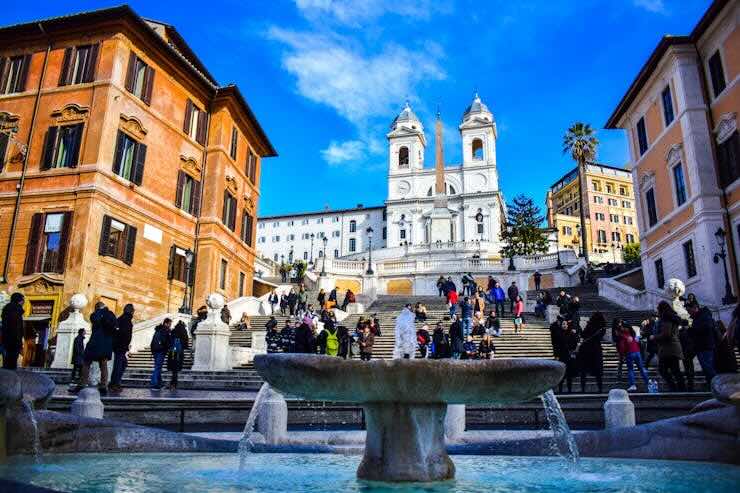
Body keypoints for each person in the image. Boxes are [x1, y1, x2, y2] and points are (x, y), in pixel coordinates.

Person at [71, 302, 117, 395]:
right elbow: (115, 327)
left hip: (95, 342)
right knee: (103, 365)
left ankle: (82, 384)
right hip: (107, 344)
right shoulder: (111, 315)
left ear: (97, 308)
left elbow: (94, 320)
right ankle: (104, 386)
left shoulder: (96, 314)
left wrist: (98, 313)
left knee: (86, 362)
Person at [653, 301, 686, 392]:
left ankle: (675, 388)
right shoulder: (672, 318)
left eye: (658, 309)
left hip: (668, 348)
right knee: (675, 370)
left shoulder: (666, 319)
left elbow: (666, 334)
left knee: (663, 369)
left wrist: (654, 337)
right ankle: (680, 389)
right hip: (673, 347)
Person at [686, 302, 717, 388]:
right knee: (706, 368)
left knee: (708, 368)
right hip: (701, 346)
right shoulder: (699, 317)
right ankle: (711, 386)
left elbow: (706, 328)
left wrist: (691, 330)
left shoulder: (704, 316)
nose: (688, 312)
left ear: (695, 307)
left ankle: (716, 386)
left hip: (705, 346)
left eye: (689, 310)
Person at [578, 312, 606, 394]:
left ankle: (583, 388)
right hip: (596, 349)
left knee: (584, 370)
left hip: (586, 349)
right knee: (598, 371)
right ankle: (600, 388)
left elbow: (583, 335)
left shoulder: (590, 325)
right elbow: (600, 337)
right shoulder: (602, 328)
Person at [110, 303, 134, 393]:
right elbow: (125, 334)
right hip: (121, 346)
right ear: (131, 311)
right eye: (133, 311)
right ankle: (115, 384)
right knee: (119, 365)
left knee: (122, 364)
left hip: (119, 345)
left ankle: (115, 382)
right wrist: (126, 345)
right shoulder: (126, 320)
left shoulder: (120, 319)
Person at [619, 324, 649, 392]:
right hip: (637, 351)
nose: (621, 328)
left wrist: (622, 355)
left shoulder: (623, 335)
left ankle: (633, 385)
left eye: (622, 327)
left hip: (629, 352)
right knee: (641, 368)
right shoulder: (632, 333)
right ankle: (647, 382)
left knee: (630, 369)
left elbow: (622, 346)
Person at [554, 319, 578, 393]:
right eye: (563, 324)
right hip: (561, 356)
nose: (564, 325)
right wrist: (556, 355)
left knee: (569, 374)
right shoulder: (558, 334)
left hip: (568, 356)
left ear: (568, 325)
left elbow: (575, 344)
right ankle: (560, 389)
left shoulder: (571, 334)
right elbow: (556, 346)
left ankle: (569, 389)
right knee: (561, 374)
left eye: (565, 324)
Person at [1, 292, 24, 370]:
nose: (23, 302)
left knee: (6, 362)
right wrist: (19, 342)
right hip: (13, 341)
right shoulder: (17, 310)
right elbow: (16, 328)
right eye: (22, 300)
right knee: (11, 363)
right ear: (19, 300)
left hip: (5, 340)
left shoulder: (6, 309)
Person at [149, 318, 172, 390]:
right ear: (166, 323)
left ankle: (159, 383)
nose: (170, 325)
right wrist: (168, 347)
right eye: (169, 324)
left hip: (155, 350)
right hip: (161, 350)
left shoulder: (158, 330)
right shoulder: (165, 330)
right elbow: (165, 341)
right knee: (158, 367)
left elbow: (153, 341)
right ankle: (154, 384)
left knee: (157, 367)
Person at [167, 320, 189, 390]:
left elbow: (169, 341)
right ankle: (174, 384)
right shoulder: (183, 331)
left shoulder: (173, 330)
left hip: (173, 352)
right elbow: (186, 341)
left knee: (174, 369)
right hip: (179, 352)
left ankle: (172, 383)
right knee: (176, 369)